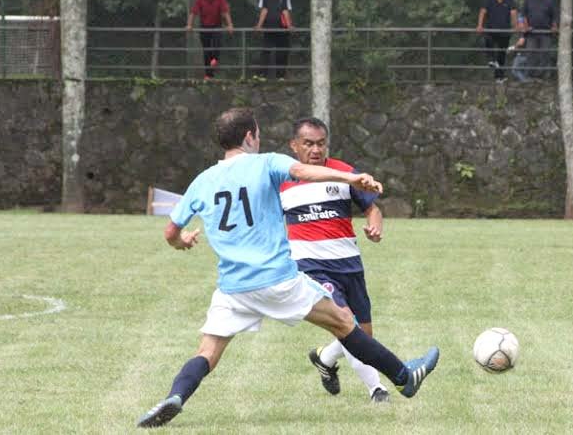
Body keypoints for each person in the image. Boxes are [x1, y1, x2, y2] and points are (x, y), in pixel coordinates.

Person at [136, 108, 439, 428]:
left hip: (233, 287)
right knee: (343, 321)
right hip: (278, 279)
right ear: (250, 136)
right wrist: (350, 177)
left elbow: (170, 232)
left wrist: (182, 241)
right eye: (258, 132)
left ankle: (175, 396)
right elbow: (306, 172)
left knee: (207, 352)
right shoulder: (266, 162)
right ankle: (405, 376)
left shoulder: (202, 181)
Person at [280, 118, 390, 403]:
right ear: (294, 146)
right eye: (308, 144)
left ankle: (325, 358)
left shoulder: (344, 173)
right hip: (312, 267)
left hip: (350, 264)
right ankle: (377, 390)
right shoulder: (281, 180)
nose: (316, 150)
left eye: (321, 143)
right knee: (347, 323)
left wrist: (375, 227)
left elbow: (372, 208)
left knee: (362, 333)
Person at [186, 0, 234, 80]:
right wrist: (189, 25)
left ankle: (215, 59)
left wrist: (230, 25)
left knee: (216, 46)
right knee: (206, 51)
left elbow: (225, 12)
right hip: (204, 27)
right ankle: (208, 75)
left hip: (217, 26)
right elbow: (193, 13)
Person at [477, 0, 518, 82]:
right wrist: (480, 25)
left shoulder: (510, 0)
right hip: (491, 30)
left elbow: (513, 13)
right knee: (487, 41)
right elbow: (482, 12)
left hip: (504, 31)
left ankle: (499, 77)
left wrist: (515, 26)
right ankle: (491, 59)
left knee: (501, 54)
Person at [255, 0, 293, 79]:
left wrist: (289, 26)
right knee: (265, 51)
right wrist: (259, 25)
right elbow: (264, 10)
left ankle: (281, 76)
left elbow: (285, 10)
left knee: (282, 52)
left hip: (282, 29)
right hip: (268, 28)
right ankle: (262, 75)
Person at [522, 0, 558, 79]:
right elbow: (523, 15)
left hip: (546, 32)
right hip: (531, 33)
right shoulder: (528, 0)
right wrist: (525, 26)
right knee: (530, 53)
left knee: (545, 54)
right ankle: (529, 77)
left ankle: (543, 77)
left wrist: (554, 26)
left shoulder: (549, 0)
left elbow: (555, 15)